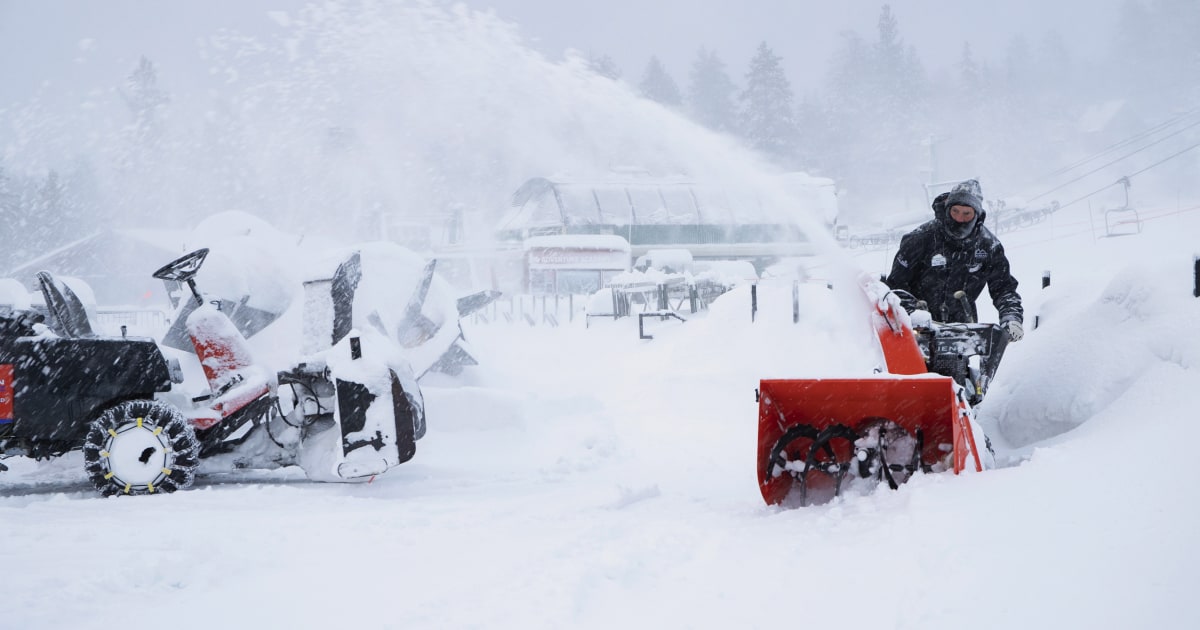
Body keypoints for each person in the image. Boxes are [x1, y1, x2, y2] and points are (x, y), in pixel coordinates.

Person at [885, 179, 1024, 342]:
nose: (960, 218)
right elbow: (896, 284)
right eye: (955, 211)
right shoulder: (920, 238)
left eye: (967, 214)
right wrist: (913, 315)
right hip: (915, 329)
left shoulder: (988, 246)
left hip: (962, 331)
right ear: (947, 209)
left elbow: (1003, 288)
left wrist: (1011, 316)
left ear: (977, 215)